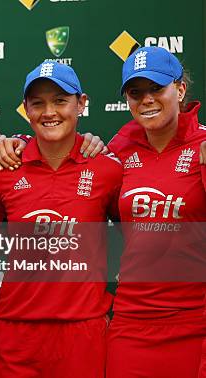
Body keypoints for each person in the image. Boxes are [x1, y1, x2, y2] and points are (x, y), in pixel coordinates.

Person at [0, 61, 122, 377]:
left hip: (82, 334)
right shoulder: (3, 171)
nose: (49, 111)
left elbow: (137, 238)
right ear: (26, 110)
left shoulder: (108, 170)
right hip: (15, 336)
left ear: (82, 104)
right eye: (38, 103)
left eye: (60, 101)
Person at [105, 46, 206, 378]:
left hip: (195, 321)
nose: (146, 99)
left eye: (156, 88)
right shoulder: (118, 150)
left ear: (179, 89)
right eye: (136, 92)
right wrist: (15, 142)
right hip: (132, 322)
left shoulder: (203, 147)